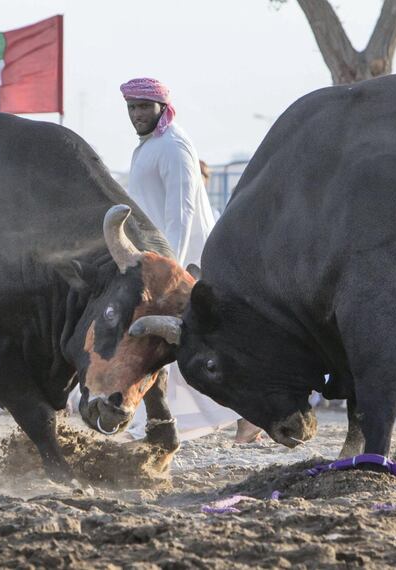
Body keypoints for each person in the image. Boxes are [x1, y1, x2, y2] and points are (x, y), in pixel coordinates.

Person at [120, 77, 252, 441]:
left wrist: (167, 272)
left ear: (162, 107)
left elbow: (180, 214)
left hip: (182, 266)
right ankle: (240, 415)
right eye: (132, 108)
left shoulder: (173, 146)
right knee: (174, 351)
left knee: (184, 347)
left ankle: (246, 412)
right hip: (158, 261)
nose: (137, 115)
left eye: (144, 106)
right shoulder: (150, 146)